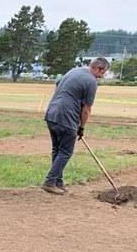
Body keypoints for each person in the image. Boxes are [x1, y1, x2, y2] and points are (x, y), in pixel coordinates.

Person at [42, 57, 110, 195]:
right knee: (66, 152)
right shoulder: (91, 81)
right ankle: (49, 182)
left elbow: (57, 86)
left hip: (51, 114)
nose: (102, 76)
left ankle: (58, 182)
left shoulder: (74, 70)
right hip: (66, 118)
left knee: (57, 150)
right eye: (103, 73)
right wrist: (81, 127)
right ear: (98, 69)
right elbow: (86, 109)